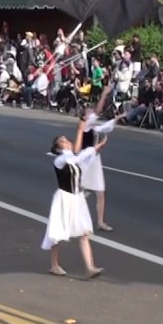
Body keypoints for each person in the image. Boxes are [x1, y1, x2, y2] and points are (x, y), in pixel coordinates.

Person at [42, 118, 105, 279]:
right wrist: (79, 131)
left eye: (66, 139)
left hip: (77, 198)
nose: (67, 142)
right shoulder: (60, 160)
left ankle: (90, 267)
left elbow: (83, 156)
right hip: (64, 199)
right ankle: (54, 265)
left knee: (84, 233)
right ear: (58, 148)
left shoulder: (71, 159)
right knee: (59, 233)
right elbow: (76, 155)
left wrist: (97, 147)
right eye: (63, 141)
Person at [80, 85, 117, 232]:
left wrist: (118, 118)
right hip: (85, 160)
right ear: (84, 117)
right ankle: (72, 218)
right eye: (88, 111)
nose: (91, 112)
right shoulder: (85, 125)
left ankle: (100, 222)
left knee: (100, 192)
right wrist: (104, 94)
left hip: (95, 160)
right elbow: (98, 110)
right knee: (78, 191)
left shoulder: (93, 127)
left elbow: (105, 126)